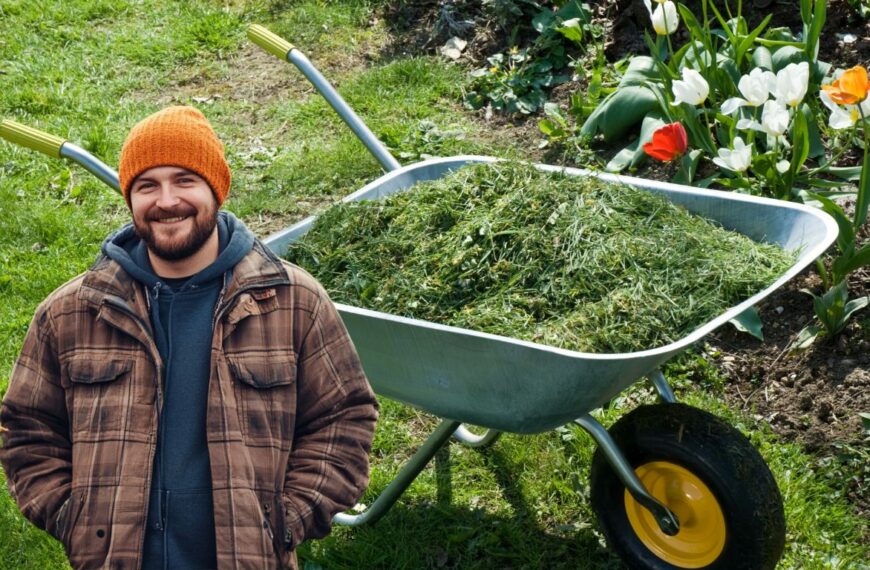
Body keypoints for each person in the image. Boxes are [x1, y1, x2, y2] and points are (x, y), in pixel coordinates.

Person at [0, 106, 379, 569]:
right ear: (130, 198)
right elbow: (26, 428)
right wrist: (73, 518)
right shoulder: (72, 312)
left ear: (216, 189)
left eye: (184, 180)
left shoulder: (293, 302)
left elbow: (344, 417)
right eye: (147, 186)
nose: (166, 201)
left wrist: (286, 519)